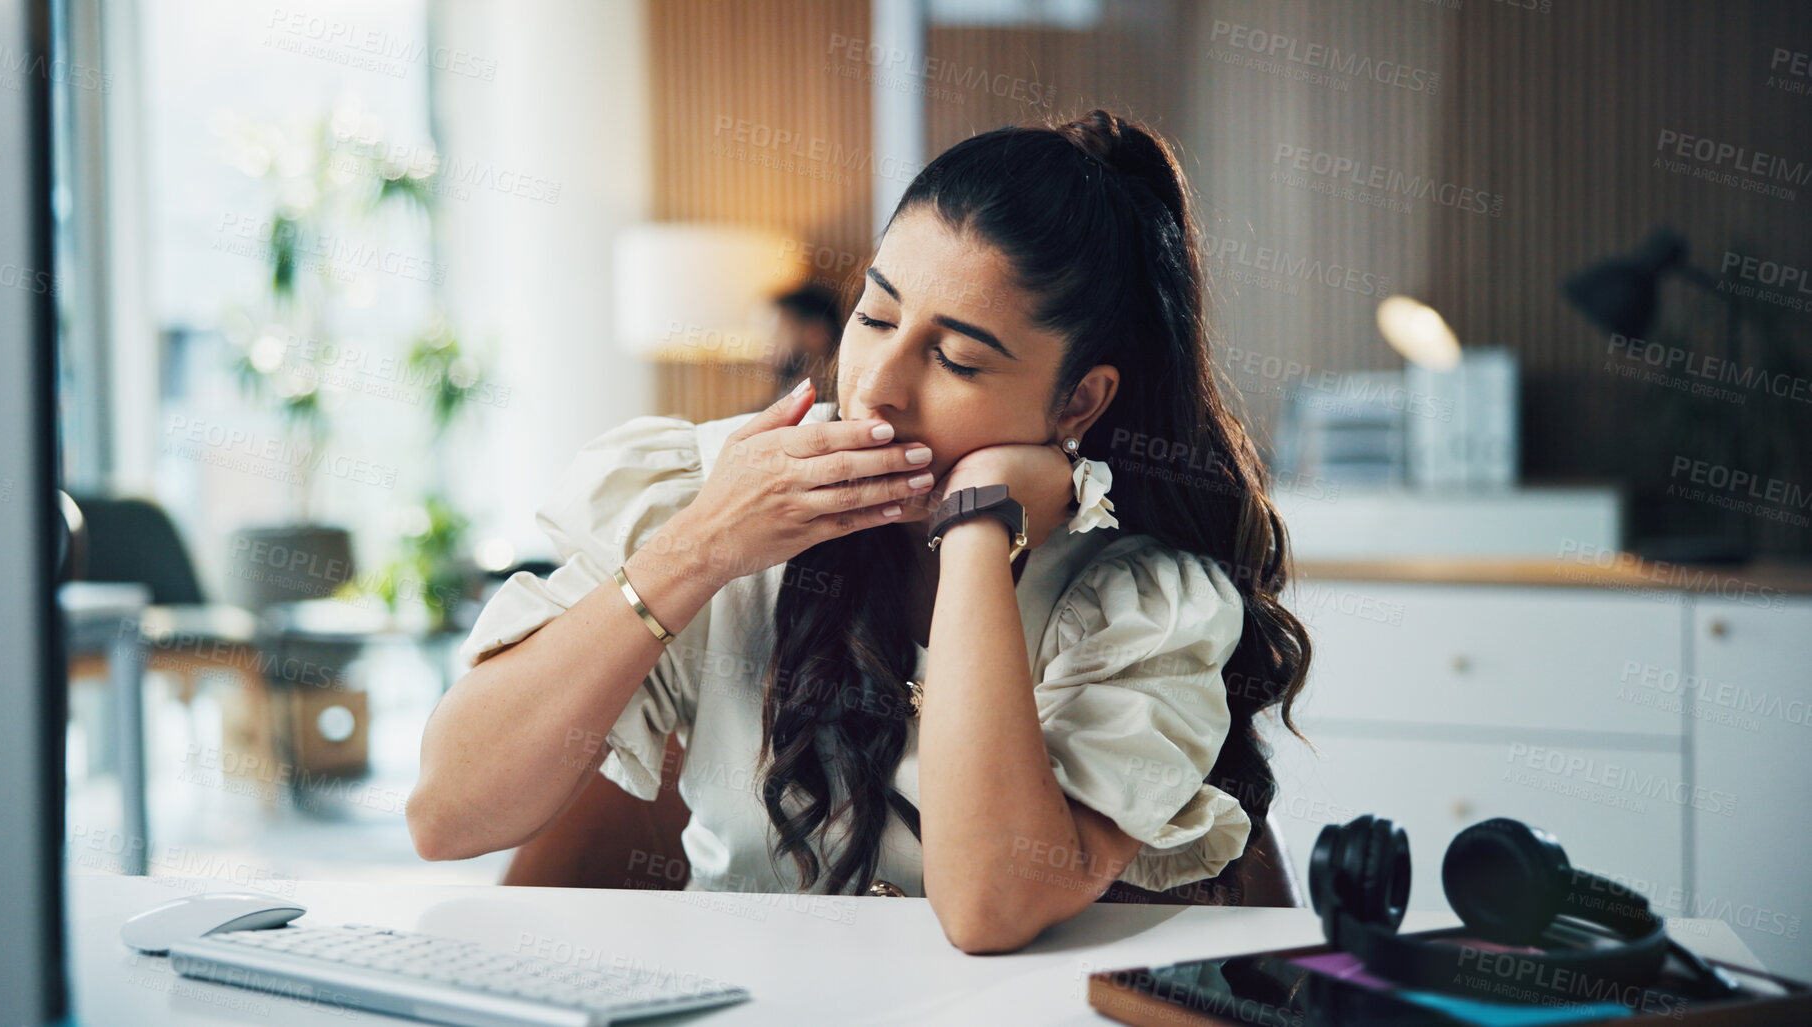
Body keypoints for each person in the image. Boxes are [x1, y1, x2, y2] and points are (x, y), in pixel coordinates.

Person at [408, 109, 1312, 955]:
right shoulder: (713, 484)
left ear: (1078, 399)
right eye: (874, 315)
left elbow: (987, 905)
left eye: (955, 358)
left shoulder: (1144, 604)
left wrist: (974, 529)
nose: (877, 383)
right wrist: (700, 547)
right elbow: (448, 815)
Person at [762, 283, 843, 406]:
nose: (769, 343)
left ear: (815, 334)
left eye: (778, 332)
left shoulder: (828, 410)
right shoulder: (780, 398)